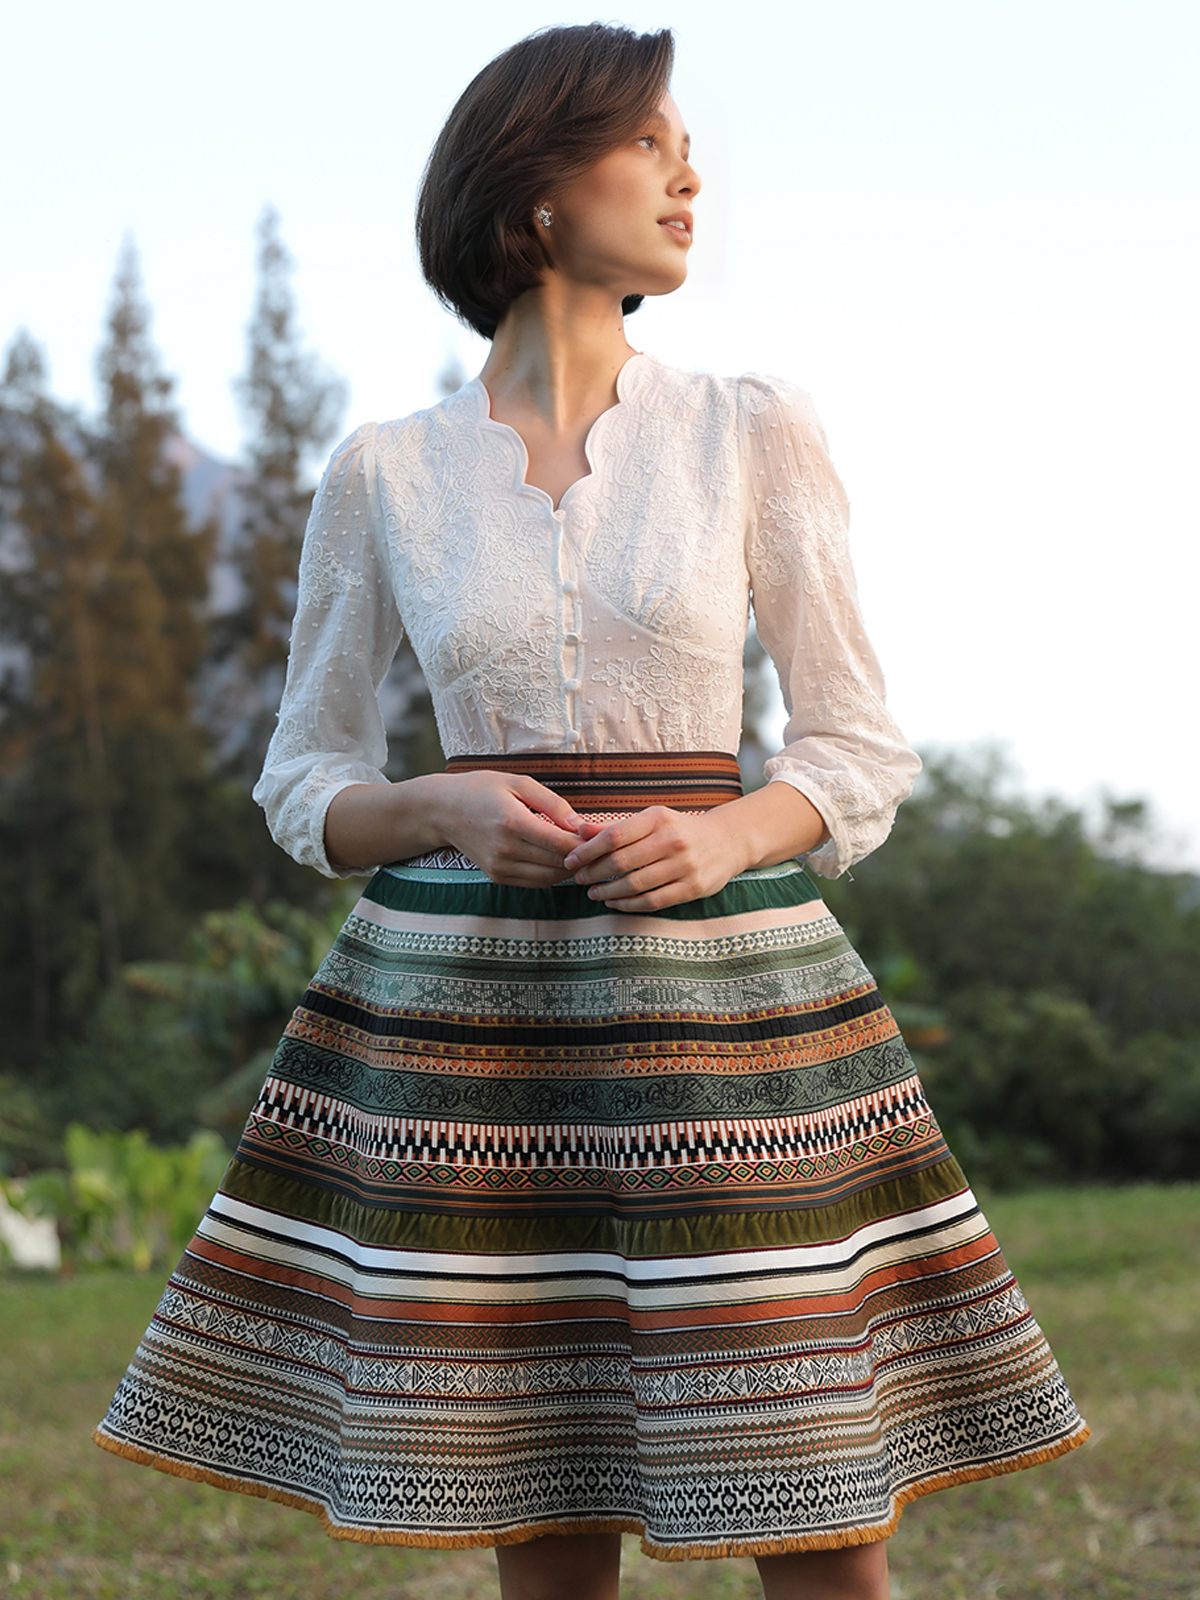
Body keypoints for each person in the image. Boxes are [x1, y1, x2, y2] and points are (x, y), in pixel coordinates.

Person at [96, 23, 1088, 1600]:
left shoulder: (752, 428)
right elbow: (303, 778)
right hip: (475, 1018)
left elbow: (856, 746)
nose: (693, 175)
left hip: (728, 999)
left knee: (813, 1499)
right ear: (536, 200)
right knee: (541, 1499)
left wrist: (729, 832)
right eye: (652, 144)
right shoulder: (383, 475)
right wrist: (432, 805)